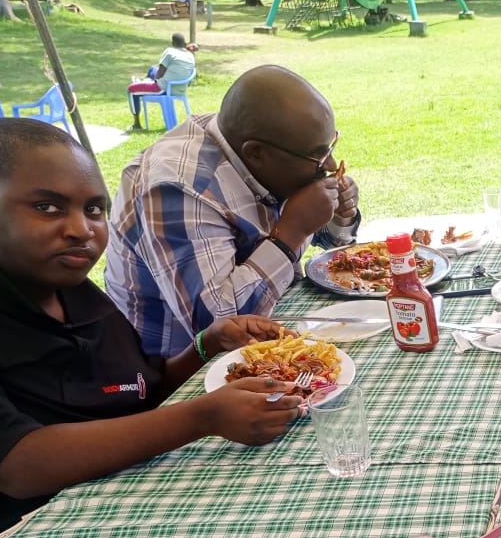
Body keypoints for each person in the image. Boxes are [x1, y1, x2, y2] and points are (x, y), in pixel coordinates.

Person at [0, 119, 304, 537]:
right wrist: (202, 417)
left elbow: (135, 394)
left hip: (132, 495)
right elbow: (18, 466)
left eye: (94, 209)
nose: (81, 230)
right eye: (47, 207)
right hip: (31, 534)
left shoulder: (78, 297)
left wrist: (205, 348)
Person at [106, 65, 361, 358]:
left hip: (277, 323)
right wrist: (291, 232)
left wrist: (340, 214)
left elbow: (329, 245)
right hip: (178, 374)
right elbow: (222, 328)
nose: (330, 166)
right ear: (256, 152)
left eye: (330, 147)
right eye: (318, 155)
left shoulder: (265, 153)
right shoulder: (178, 189)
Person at [126, 32, 196, 131]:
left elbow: (160, 72)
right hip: (180, 88)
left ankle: (136, 124)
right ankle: (144, 81)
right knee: (152, 69)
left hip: (163, 88)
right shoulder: (190, 55)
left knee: (131, 89)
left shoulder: (170, 52)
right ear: (184, 43)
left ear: (172, 43)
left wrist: (154, 81)